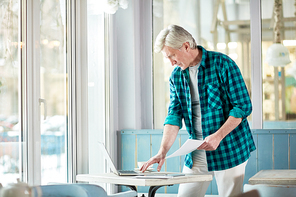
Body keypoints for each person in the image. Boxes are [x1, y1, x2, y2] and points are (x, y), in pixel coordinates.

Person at [140, 25, 256, 197]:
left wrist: (217, 136)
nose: (171, 62)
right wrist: (162, 151)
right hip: (197, 151)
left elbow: (243, 106)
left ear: (186, 46)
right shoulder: (176, 76)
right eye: (168, 58)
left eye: (172, 56)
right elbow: (174, 115)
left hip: (229, 148)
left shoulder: (223, 65)